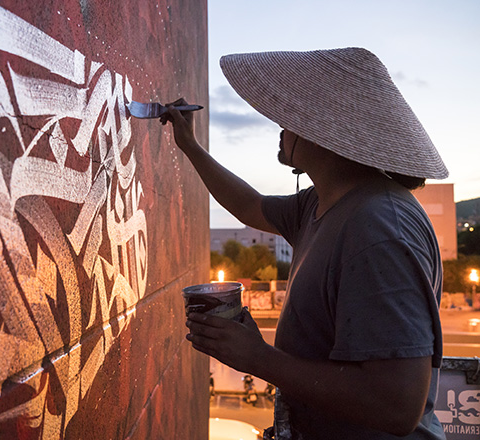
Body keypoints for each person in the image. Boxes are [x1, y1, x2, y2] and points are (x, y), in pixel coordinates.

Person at [162, 47, 447, 439]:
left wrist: (258, 358)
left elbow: (397, 405)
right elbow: (249, 206)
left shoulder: (379, 228)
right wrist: (189, 145)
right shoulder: (323, 202)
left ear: (323, 129)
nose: (280, 122)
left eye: (292, 113)